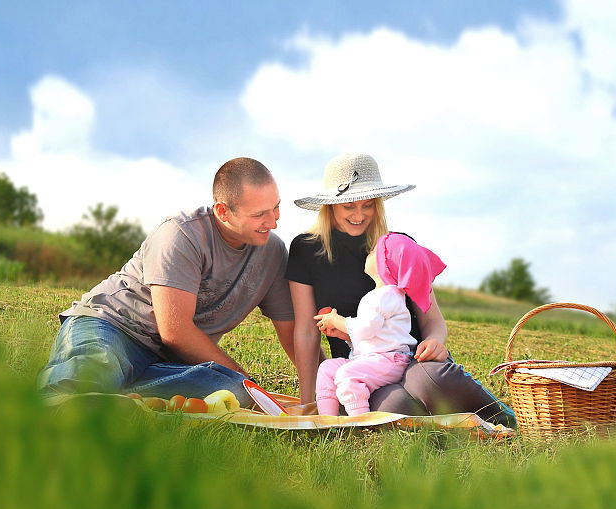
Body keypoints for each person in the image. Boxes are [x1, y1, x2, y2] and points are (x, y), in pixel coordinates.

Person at [38, 158, 295, 405]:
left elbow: (294, 334)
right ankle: (68, 400)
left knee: (237, 391)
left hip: (169, 362)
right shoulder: (181, 234)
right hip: (113, 327)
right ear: (223, 211)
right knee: (92, 371)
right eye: (259, 214)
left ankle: (115, 396)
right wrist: (248, 379)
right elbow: (176, 332)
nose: (273, 221)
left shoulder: (272, 253)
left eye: (276, 207)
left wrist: (317, 389)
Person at [287, 153, 515, 425]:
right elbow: (306, 331)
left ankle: (502, 416)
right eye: (349, 206)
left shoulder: (398, 246)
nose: (359, 215)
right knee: (393, 406)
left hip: (411, 360)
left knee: (426, 380)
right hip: (361, 370)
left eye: (368, 205)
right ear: (331, 205)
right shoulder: (305, 250)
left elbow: (432, 320)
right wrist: (307, 403)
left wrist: (435, 341)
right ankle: (448, 424)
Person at [314, 233, 445, 416]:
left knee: (347, 375)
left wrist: (337, 320)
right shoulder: (381, 295)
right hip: (376, 358)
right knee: (327, 368)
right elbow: (376, 336)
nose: (369, 251)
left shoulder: (387, 295)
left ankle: (360, 422)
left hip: (389, 360)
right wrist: (345, 334)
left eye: (374, 250)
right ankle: (327, 419)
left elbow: (366, 328)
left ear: (386, 263)